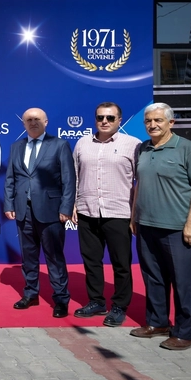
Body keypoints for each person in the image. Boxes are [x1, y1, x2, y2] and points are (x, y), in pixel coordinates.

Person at [131, 103, 191, 351]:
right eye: (148, 121)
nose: (152, 125)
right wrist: (134, 217)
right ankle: (158, 323)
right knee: (153, 277)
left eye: (158, 120)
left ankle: (186, 333)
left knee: (182, 282)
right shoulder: (142, 148)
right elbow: (139, 184)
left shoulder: (187, 148)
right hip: (146, 225)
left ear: (171, 123)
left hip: (177, 227)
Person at [72, 102, 141, 326]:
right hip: (87, 211)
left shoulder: (133, 145)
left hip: (119, 213)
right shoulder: (82, 143)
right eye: (100, 117)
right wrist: (73, 204)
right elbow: (75, 176)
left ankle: (120, 305)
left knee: (121, 264)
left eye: (110, 118)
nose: (104, 121)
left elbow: (140, 181)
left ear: (119, 120)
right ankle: (96, 302)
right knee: (91, 261)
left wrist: (135, 214)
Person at [4, 107, 76, 318]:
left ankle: (61, 299)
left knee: (54, 257)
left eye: (37, 119)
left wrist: (66, 207)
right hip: (23, 210)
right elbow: (11, 178)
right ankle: (30, 293)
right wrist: (9, 204)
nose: (33, 122)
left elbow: (69, 179)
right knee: (28, 256)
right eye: (29, 120)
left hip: (51, 211)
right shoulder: (16, 146)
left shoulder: (59, 145)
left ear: (46, 122)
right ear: (23, 124)